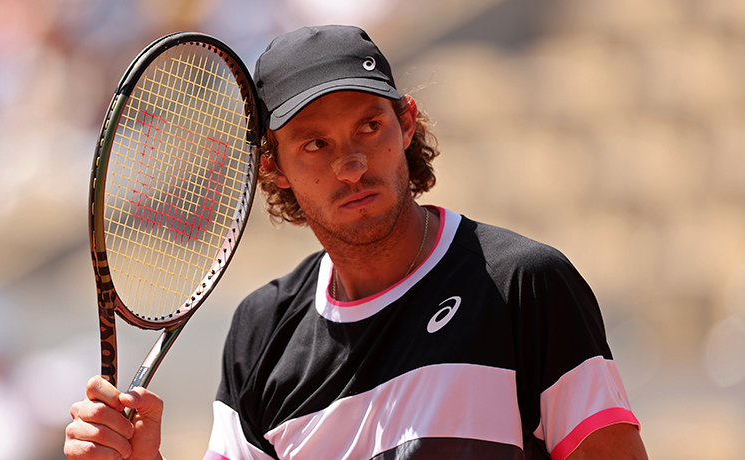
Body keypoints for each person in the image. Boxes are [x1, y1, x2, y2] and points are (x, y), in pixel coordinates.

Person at [64, 25, 648, 460]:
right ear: (273, 168)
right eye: (314, 144)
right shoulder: (259, 331)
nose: (351, 164)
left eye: (369, 126)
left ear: (407, 122)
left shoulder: (524, 284)